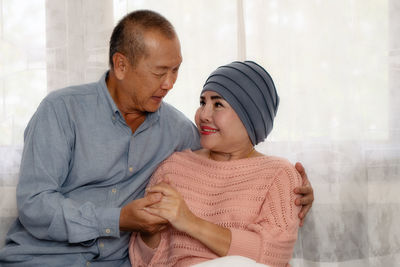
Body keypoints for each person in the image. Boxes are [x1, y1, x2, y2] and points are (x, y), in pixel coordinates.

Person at [0, 10, 313, 266]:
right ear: (121, 65)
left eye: (176, 71)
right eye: (160, 72)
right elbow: (35, 205)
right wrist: (118, 219)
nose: (170, 84)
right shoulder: (61, 111)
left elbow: (227, 158)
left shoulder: (179, 133)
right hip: (41, 260)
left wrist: (292, 191)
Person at [129, 61, 303, 267]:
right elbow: (142, 261)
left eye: (218, 104)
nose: (203, 115)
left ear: (251, 117)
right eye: (202, 102)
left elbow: (274, 254)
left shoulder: (278, 173)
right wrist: (150, 232)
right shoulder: (173, 167)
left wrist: (189, 221)